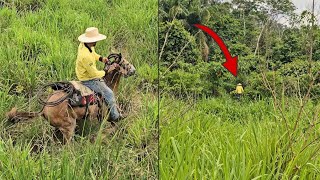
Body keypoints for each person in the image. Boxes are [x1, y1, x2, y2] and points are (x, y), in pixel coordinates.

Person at [75, 27, 122, 121]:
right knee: (109, 93)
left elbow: (93, 53)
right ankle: (115, 117)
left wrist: (101, 58)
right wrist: (107, 70)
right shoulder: (85, 56)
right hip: (88, 79)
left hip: (84, 72)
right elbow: (94, 74)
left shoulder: (85, 45)